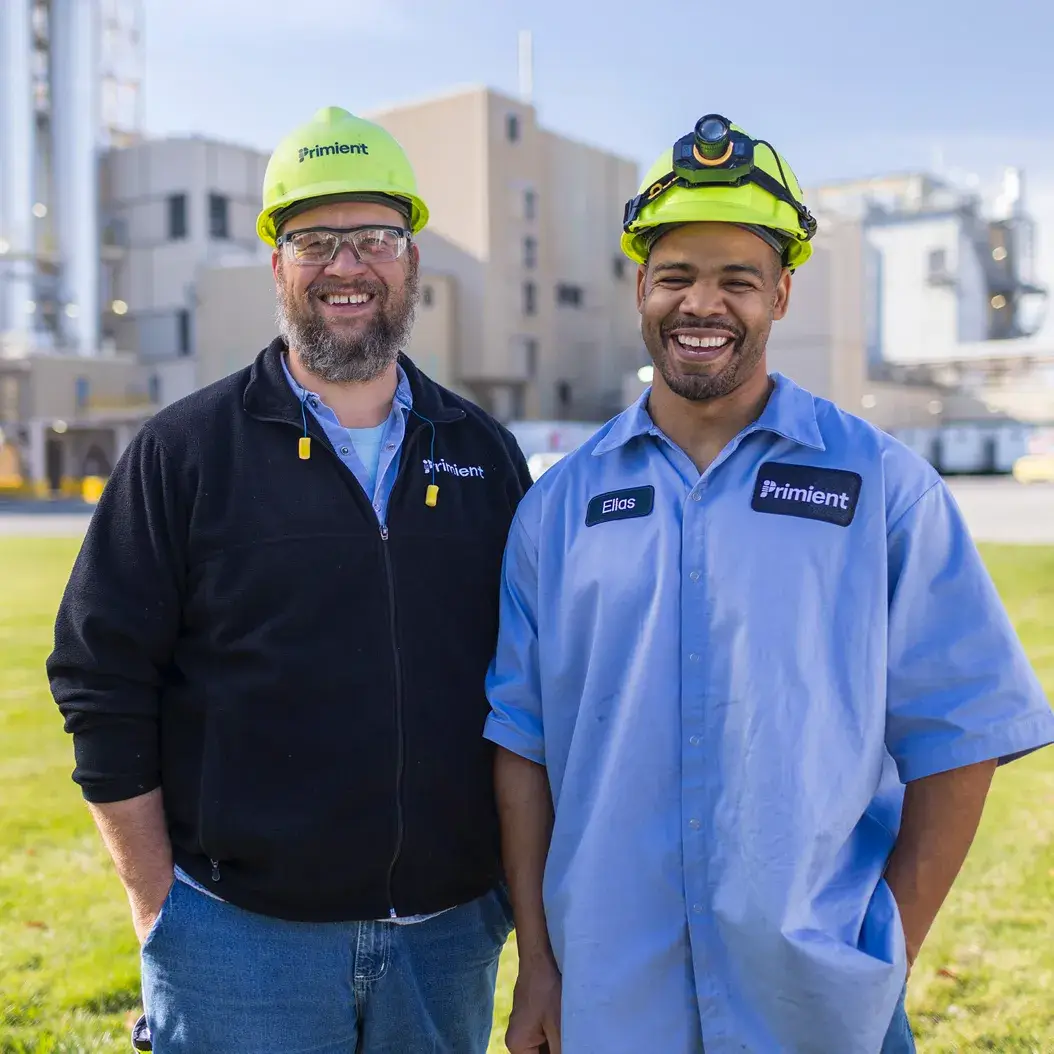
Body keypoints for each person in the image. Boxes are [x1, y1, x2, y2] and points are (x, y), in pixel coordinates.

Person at [484, 113, 1054, 1054]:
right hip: (610, 1005)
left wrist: (885, 952)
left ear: (782, 295)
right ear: (640, 288)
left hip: (816, 1012)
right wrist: (540, 964)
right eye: (676, 276)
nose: (701, 303)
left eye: (736, 280)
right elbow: (522, 745)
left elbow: (966, 730)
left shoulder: (882, 490)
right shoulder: (560, 508)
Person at [48, 105, 532, 1054]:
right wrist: (163, 914)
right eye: (316, 240)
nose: (347, 266)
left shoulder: (483, 453)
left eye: (375, 237)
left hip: (444, 942)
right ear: (278, 263)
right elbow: (99, 680)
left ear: (411, 260)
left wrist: (504, 902)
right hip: (238, 943)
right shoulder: (184, 453)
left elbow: (532, 688)